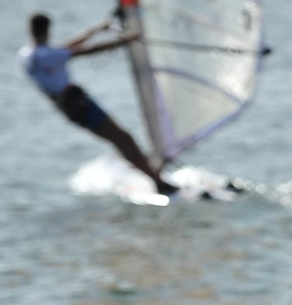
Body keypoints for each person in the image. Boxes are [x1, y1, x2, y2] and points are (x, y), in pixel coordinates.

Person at [18, 12, 177, 196]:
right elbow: (86, 51)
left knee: (119, 140)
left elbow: (66, 49)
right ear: (48, 30)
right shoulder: (49, 55)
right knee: (123, 138)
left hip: (67, 107)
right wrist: (127, 40)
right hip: (76, 102)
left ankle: (152, 173)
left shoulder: (27, 55)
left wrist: (96, 30)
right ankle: (157, 181)